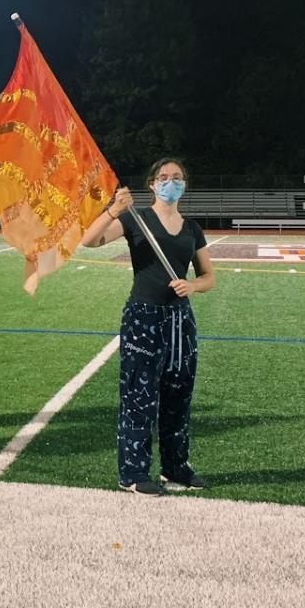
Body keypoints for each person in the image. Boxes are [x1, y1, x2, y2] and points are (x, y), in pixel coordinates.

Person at [81, 157, 216, 494]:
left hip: (180, 320)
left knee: (178, 394)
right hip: (144, 316)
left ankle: (176, 467)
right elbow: (90, 241)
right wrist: (114, 210)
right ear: (152, 184)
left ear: (185, 184)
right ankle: (133, 473)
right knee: (140, 396)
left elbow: (208, 276)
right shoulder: (136, 219)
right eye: (164, 177)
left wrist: (193, 286)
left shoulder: (191, 229)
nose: (172, 182)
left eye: (178, 177)